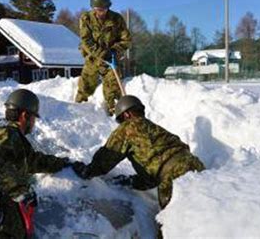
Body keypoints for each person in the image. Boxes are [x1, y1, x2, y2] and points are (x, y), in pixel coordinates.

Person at [73, 95, 205, 238]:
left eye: (122, 120)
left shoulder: (129, 126)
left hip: (174, 174)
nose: (122, 124)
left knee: (175, 230)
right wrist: (131, 181)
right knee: (202, 222)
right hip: (197, 168)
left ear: (126, 114)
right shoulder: (155, 130)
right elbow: (154, 173)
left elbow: (107, 158)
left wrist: (87, 171)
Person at [0, 89, 72, 239]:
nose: (34, 123)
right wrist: (19, 190)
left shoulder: (15, 138)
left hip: (1, 216)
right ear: (24, 116)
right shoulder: (6, 135)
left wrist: (64, 164)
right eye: (34, 118)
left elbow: (33, 161)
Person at [75, 0, 131, 116]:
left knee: (113, 86)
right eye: (98, 9)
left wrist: (114, 50)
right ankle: (77, 111)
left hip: (111, 59)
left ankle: (113, 113)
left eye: (104, 9)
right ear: (93, 8)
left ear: (108, 7)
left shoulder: (117, 19)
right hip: (93, 58)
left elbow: (126, 40)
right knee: (85, 85)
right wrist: (101, 53)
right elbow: (86, 41)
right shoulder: (86, 18)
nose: (101, 12)